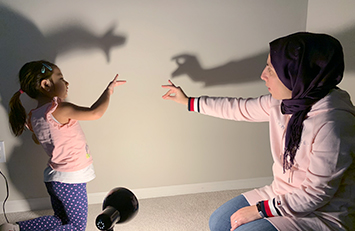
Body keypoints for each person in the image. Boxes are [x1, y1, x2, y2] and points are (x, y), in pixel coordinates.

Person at [162, 32, 355, 231]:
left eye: (271, 69)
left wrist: (259, 210)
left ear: (297, 73)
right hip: (282, 192)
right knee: (218, 221)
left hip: (322, 212)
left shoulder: (334, 123)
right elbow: (238, 108)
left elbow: (316, 194)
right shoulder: (284, 102)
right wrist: (188, 101)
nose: (263, 75)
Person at [1, 61, 126, 231]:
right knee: (76, 226)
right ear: (46, 85)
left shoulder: (34, 116)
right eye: (61, 78)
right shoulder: (58, 109)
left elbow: (39, 138)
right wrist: (108, 91)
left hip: (54, 178)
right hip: (71, 179)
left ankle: (15, 228)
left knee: (60, 219)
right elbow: (95, 112)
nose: (66, 83)